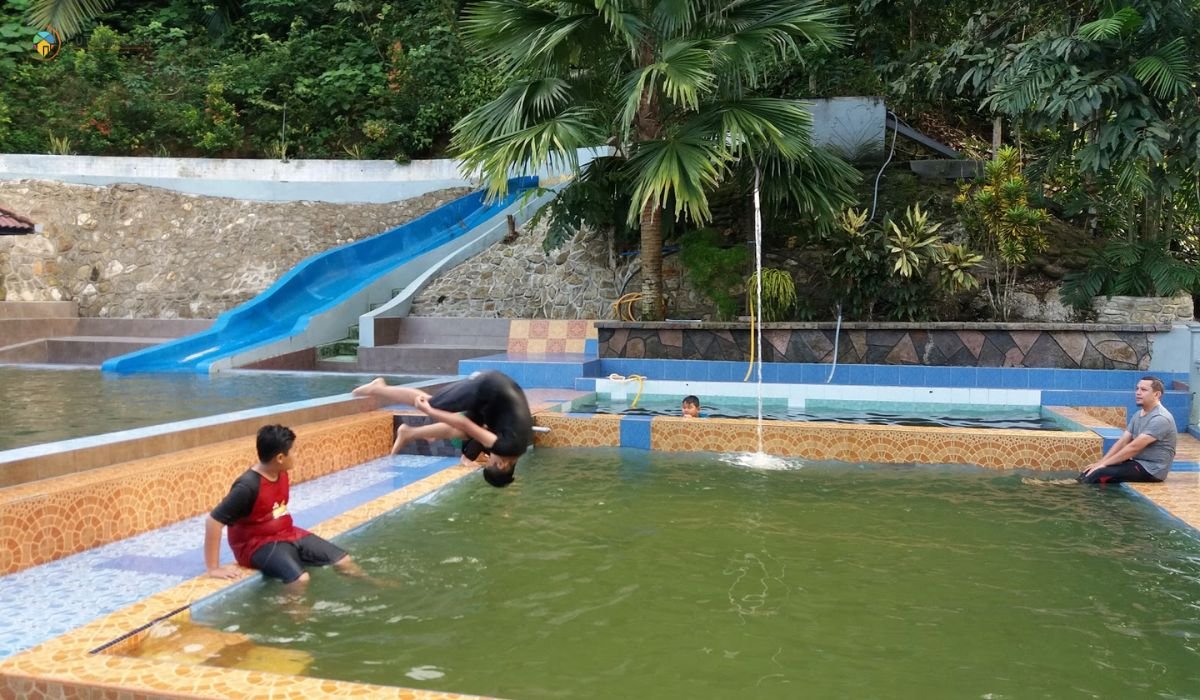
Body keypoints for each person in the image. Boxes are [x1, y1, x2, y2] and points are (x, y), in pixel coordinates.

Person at [205, 424, 360, 586]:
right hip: (256, 544)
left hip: (286, 533)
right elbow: (213, 521)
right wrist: (213, 568)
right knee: (300, 579)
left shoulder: (280, 472)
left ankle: (370, 584)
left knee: (343, 560)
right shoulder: (248, 486)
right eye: (293, 451)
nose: (296, 455)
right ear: (280, 458)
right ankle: (294, 610)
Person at [353, 370, 532, 487]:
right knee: (430, 403)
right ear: (501, 464)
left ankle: (410, 433)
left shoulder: (519, 447)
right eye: (489, 461)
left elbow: (467, 428)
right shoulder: (507, 447)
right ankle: (379, 388)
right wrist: (430, 412)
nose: (488, 457)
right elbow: (464, 423)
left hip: (496, 393)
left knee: (462, 433)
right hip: (487, 387)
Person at [1078, 376, 1177, 485]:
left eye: (1143, 390)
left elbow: (1134, 447)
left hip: (1152, 470)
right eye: (1137, 389)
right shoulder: (1138, 415)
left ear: (1156, 394)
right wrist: (1101, 462)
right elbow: (1122, 442)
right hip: (1137, 463)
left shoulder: (1160, 418)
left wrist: (1104, 465)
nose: (1138, 393)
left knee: (1099, 474)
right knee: (1089, 471)